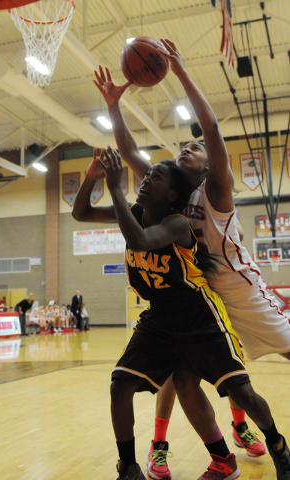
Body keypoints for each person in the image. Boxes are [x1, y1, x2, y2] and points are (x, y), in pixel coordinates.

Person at [92, 38, 290, 480]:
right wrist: (113, 106)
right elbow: (129, 154)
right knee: (181, 378)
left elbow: (213, 130)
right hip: (201, 296)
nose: (189, 147)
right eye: (185, 146)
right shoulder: (170, 189)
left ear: (208, 165)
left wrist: (180, 72)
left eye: (195, 148)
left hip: (242, 292)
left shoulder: (215, 191)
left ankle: (257, 436)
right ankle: (214, 452)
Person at [72, 146, 289, 480]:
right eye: (144, 176)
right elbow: (81, 213)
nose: (144, 181)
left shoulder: (178, 223)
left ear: (172, 193)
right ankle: (129, 466)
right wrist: (91, 178)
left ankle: (277, 446)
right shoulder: (132, 212)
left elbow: (141, 241)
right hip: (159, 318)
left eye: (154, 177)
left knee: (240, 392)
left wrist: (115, 186)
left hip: (198, 315)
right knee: (120, 384)